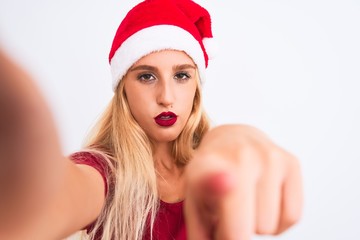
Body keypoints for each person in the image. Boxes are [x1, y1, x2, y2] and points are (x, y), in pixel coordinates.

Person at [0, 0, 303, 239]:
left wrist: (234, 135)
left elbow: (224, 153)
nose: (167, 97)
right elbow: (52, 202)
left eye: (182, 75)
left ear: (196, 86)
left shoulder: (212, 167)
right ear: (124, 90)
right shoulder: (102, 174)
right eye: (146, 76)